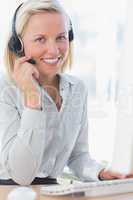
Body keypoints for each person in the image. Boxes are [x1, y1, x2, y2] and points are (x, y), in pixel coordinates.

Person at [0, 0, 128, 186]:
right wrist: (32, 97)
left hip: (52, 190)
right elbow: (22, 175)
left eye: (61, 37)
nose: (54, 50)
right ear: (17, 45)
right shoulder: (4, 89)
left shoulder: (77, 89)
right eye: (40, 39)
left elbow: (77, 156)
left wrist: (101, 173)